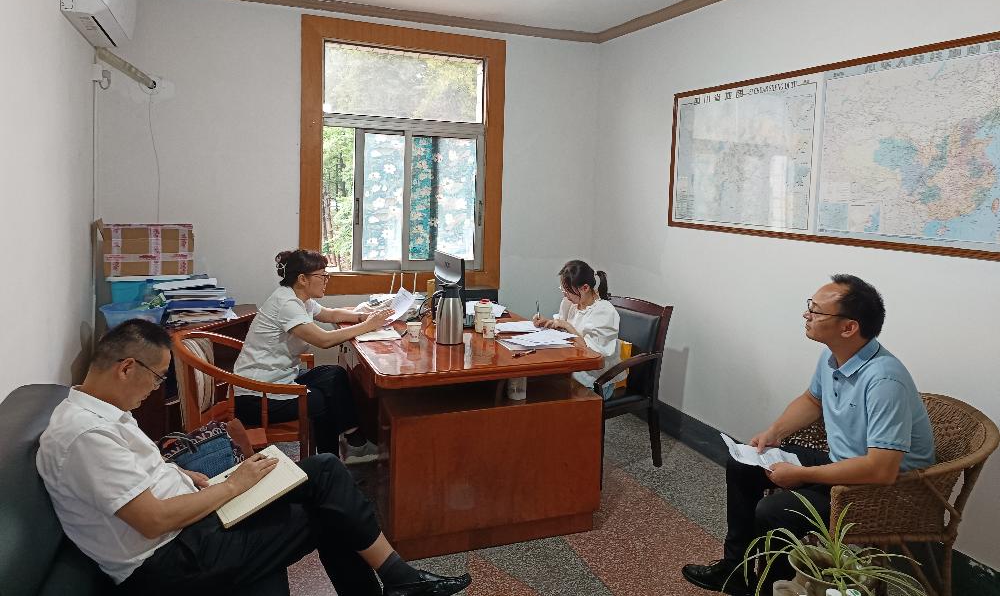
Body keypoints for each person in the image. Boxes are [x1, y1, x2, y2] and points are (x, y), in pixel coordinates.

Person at [36, 319, 471, 596]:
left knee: (324, 471)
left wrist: (178, 471)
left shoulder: (103, 412)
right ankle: (401, 580)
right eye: (157, 379)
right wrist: (233, 485)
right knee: (330, 511)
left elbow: (135, 477)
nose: (156, 390)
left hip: (191, 526)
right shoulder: (85, 435)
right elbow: (151, 520)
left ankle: (399, 580)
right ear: (126, 368)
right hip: (171, 561)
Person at [682, 274, 935, 595]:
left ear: (849, 327)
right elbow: (812, 400)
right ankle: (736, 572)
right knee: (744, 463)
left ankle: (774, 588)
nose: (807, 315)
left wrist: (802, 474)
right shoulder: (834, 357)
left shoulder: (885, 380)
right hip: (842, 464)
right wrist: (774, 432)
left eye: (816, 310)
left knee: (774, 512)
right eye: (810, 306)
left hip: (881, 491)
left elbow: (881, 470)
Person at [233, 249, 391, 462]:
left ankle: (355, 441)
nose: (326, 280)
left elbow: (330, 314)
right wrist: (368, 325)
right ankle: (330, 459)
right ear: (302, 279)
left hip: (279, 378)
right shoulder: (287, 304)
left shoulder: (299, 298)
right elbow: (324, 340)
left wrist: (363, 316)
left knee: (334, 375)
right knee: (319, 400)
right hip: (256, 394)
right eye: (322, 276)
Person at [533, 259, 621, 398]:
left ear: (585, 288)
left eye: (568, 291)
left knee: (549, 390)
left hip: (594, 379)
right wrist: (548, 323)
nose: (565, 295)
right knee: (539, 381)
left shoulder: (604, 312)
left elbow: (592, 354)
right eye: (563, 289)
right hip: (572, 367)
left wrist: (567, 326)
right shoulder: (571, 303)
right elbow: (562, 329)